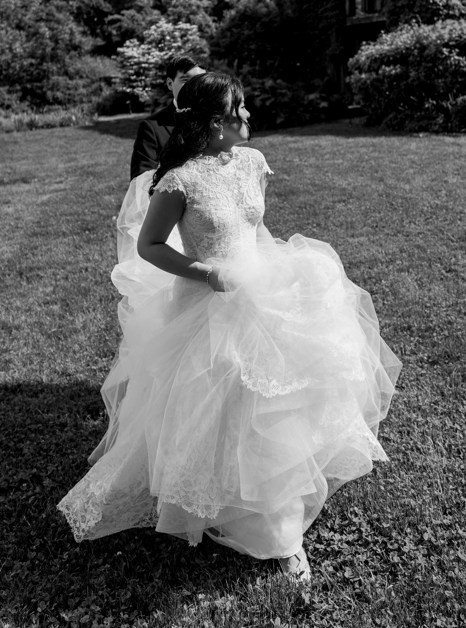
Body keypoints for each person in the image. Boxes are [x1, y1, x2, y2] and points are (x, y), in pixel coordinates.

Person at [60, 72, 401, 581]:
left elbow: (254, 226)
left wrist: (281, 266)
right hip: (207, 304)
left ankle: (279, 520)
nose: (247, 117)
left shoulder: (252, 161)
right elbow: (150, 246)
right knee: (222, 407)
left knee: (275, 408)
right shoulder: (179, 181)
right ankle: (252, 521)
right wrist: (204, 272)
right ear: (211, 123)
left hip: (261, 288)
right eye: (237, 110)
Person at [129, 56, 206, 180]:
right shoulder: (152, 128)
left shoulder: (216, 118)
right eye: (185, 80)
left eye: (200, 80)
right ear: (170, 84)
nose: (195, 87)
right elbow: (141, 181)